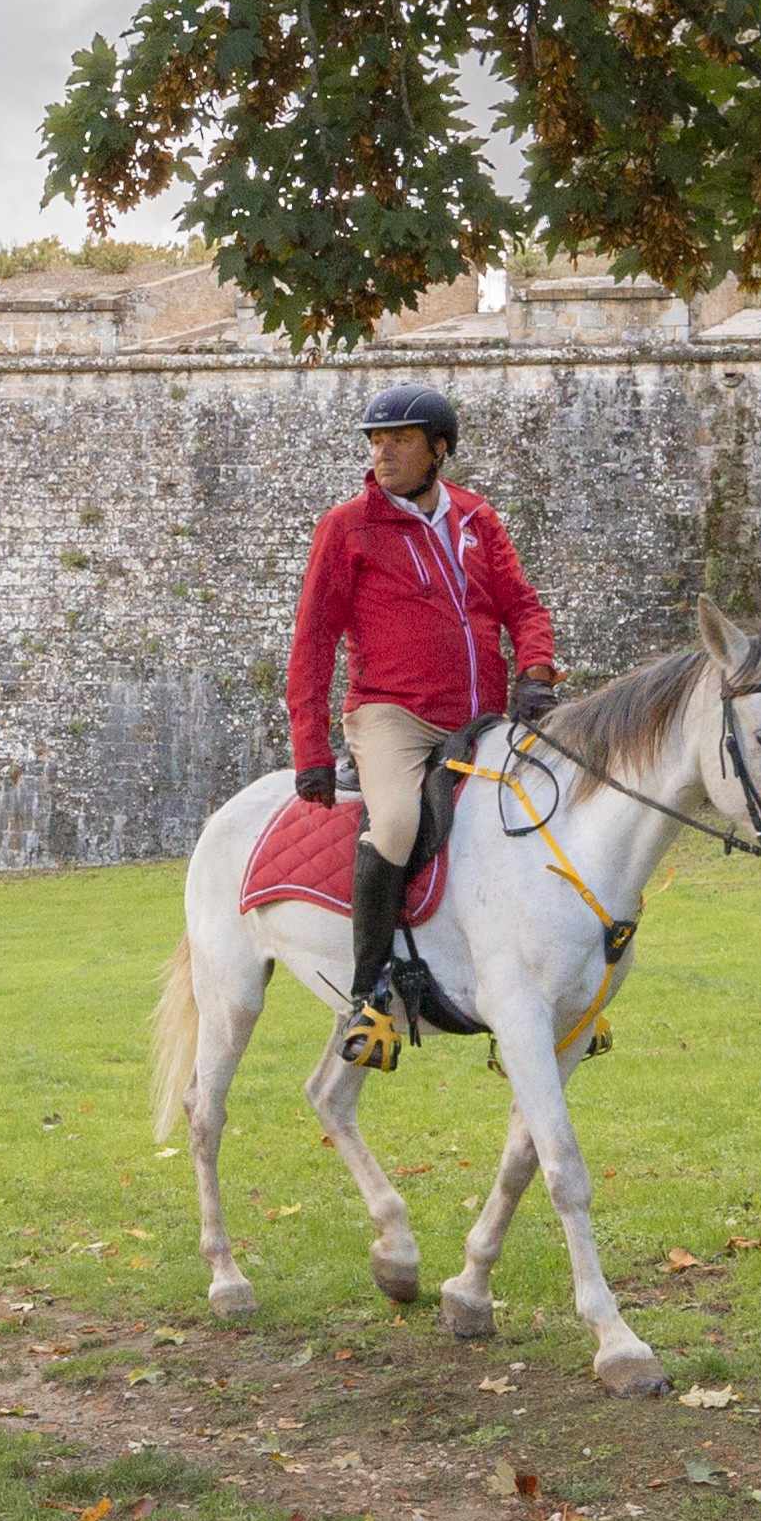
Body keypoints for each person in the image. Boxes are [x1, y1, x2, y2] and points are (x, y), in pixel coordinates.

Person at [283, 380, 559, 1072]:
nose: (383, 453)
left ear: (440, 448)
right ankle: (368, 994)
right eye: (375, 441)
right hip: (392, 716)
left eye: (399, 439)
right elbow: (312, 641)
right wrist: (309, 747)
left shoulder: (475, 517)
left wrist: (535, 669)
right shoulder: (347, 526)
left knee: (550, 807)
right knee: (399, 822)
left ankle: (554, 985)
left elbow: (522, 604)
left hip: (483, 717)